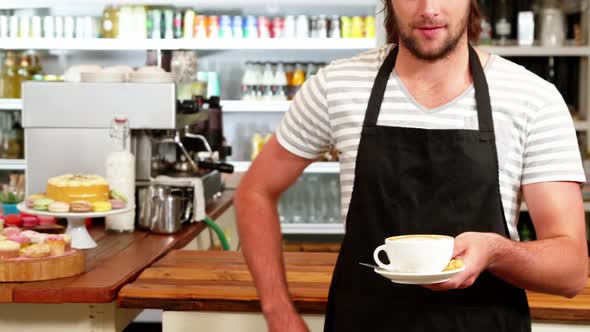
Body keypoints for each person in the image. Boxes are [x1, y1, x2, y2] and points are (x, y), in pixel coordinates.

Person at [235, 0, 589, 331]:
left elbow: (570, 272)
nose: (429, 9)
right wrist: (278, 312)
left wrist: (497, 252)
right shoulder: (336, 87)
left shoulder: (532, 99)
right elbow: (255, 191)